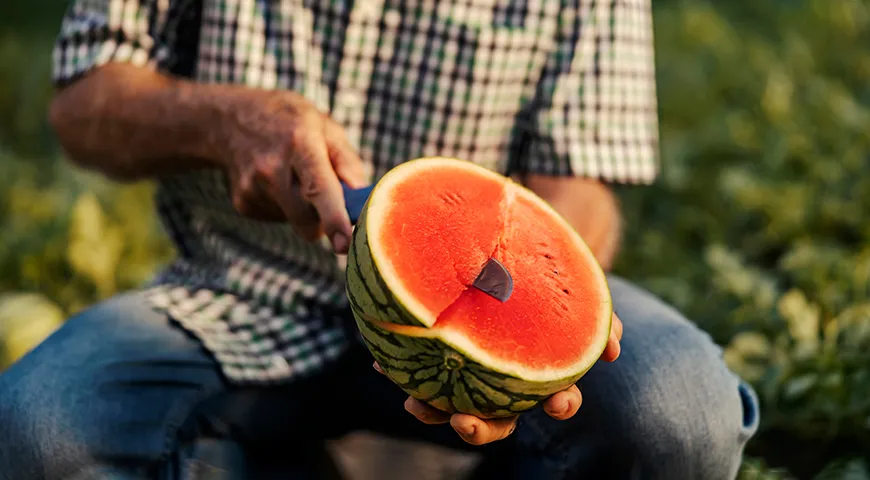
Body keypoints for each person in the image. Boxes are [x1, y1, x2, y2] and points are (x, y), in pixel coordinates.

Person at [0, 0, 760, 478]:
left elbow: (580, 184)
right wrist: (223, 122)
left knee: (680, 419)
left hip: (464, 333)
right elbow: (85, 98)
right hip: (232, 294)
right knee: (43, 432)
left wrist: (533, 344)